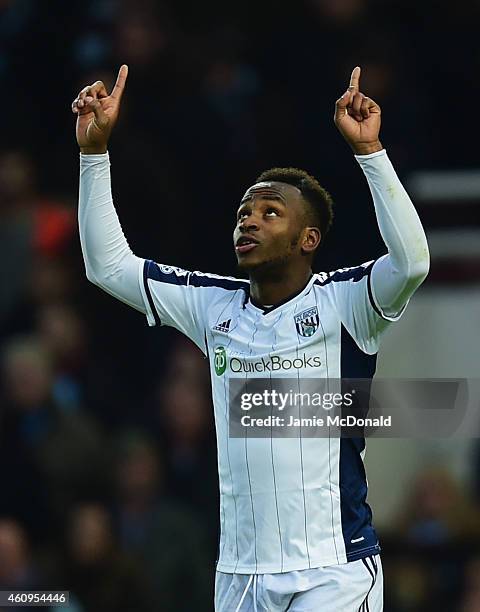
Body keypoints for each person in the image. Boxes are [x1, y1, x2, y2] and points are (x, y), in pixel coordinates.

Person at [72, 64, 429, 611]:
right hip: (239, 578)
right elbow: (107, 267)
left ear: (308, 239)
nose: (249, 221)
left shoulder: (345, 303)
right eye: (244, 211)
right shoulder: (213, 305)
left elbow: (412, 262)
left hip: (332, 572)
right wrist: (94, 155)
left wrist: (371, 153)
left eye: (270, 212)